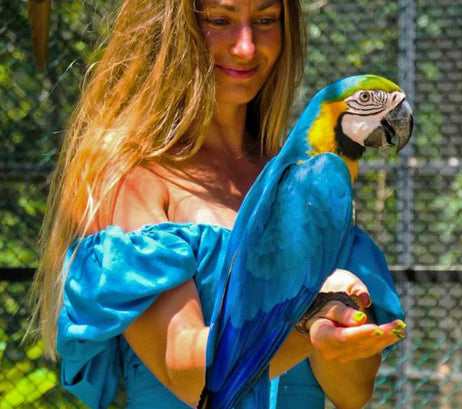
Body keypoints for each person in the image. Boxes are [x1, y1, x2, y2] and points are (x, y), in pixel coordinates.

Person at [30, 0, 406, 408]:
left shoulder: (308, 182)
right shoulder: (132, 179)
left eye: (265, 20)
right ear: (171, 32)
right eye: (219, 21)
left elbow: (352, 393)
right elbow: (184, 372)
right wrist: (305, 320)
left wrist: (337, 327)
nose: (246, 47)